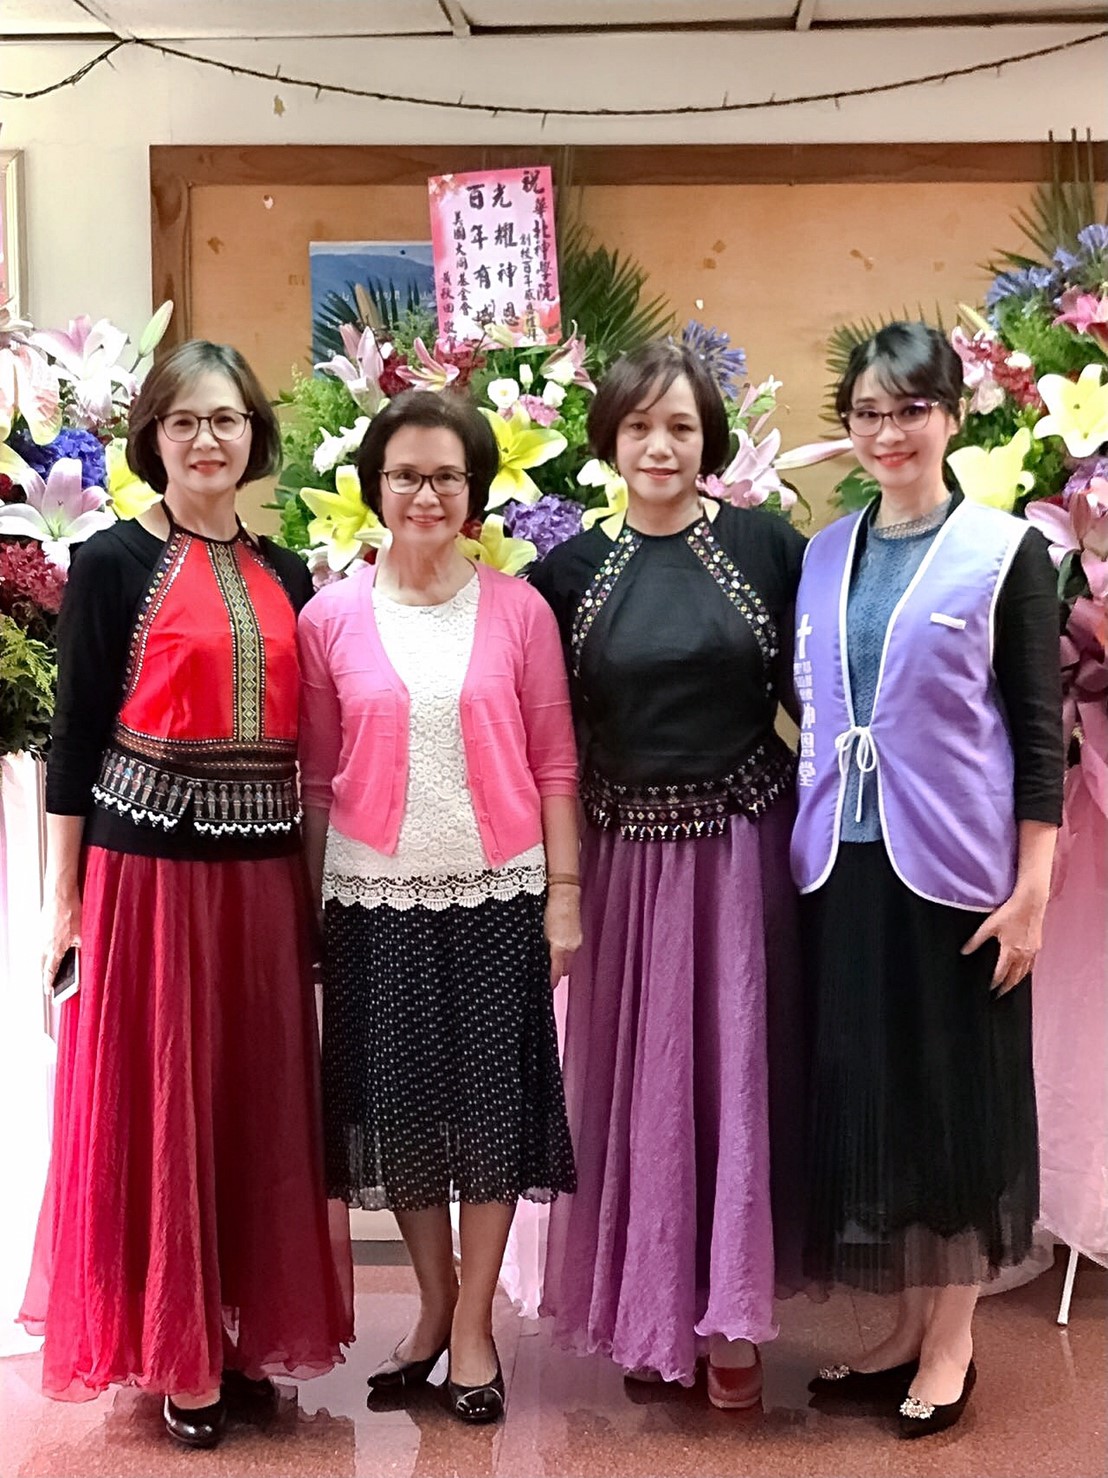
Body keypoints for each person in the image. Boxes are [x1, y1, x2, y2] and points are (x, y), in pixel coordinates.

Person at [19, 341, 353, 1447]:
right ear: (152, 438)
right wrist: (64, 897)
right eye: (184, 422)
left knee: (252, 1101)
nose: (207, 439)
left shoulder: (290, 571)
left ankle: (239, 1332)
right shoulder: (113, 561)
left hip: (260, 882)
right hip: (147, 881)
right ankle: (178, 1350)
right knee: (163, 1103)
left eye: (226, 419)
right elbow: (74, 741)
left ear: (255, 433)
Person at [796, 322, 1063, 1438]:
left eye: (911, 408)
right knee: (881, 1099)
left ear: (952, 415)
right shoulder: (823, 552)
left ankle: (953, 1340)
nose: (888, 431)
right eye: (867, 412)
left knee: (952, 1102)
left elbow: (1040, 735)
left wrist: (1032, 887)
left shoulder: (1007, 553)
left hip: (958, 877)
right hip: (841, 866)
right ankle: (906, 1325)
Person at [531, 340, 807, 1409]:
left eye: (681, 427)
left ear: (709, 442)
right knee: (642, 1089)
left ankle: (730, 1314)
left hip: (742, 851)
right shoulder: (568, 572)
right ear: (609, 437)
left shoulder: (765, 546)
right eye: (640, 426)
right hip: (621, 863)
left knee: (734, 1077)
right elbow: (548, 741)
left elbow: (824, 692)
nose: (660, 446)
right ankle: (649, 1311)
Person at [298, 389, 579, 1425]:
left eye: (447, 477)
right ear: (375, 486)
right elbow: (315, 779)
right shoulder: (329, 616)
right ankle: (432, 1304)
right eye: (407, 475)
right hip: (371, 897)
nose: (426, 494)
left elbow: (556, 763)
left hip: (499, 892)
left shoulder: (520, 610)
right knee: (404, 1115)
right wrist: (309, 909)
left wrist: (563, 897)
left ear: (475, 491)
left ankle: (473, 1328)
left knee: (492, 1115)